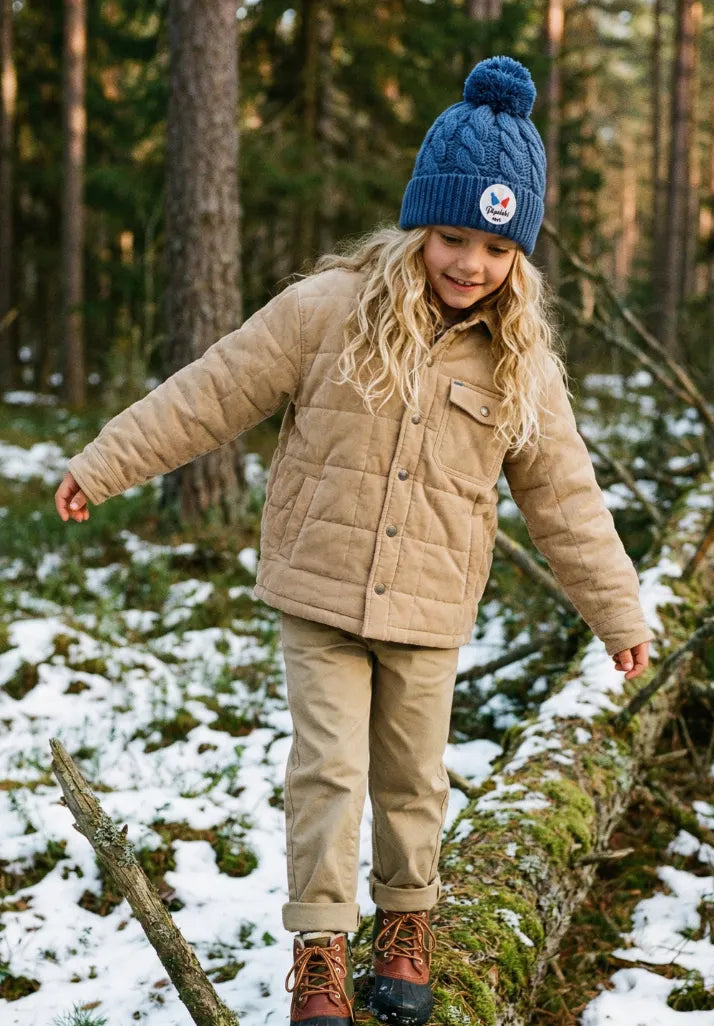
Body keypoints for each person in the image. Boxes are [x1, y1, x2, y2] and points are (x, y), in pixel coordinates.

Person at [55, 56, 651, 1026]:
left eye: (496, 251)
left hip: (427, 606)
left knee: (414, 779)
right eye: (452, 238)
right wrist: (103, 463)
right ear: (418, 226)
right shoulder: (323, 312)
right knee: (327, 771)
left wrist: (616, 613)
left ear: (520, 261)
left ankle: (405, 928)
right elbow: (209, 393)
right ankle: (320, 952)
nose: (469, 265)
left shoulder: (520, 368)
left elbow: (565, 498)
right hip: (319, 592)